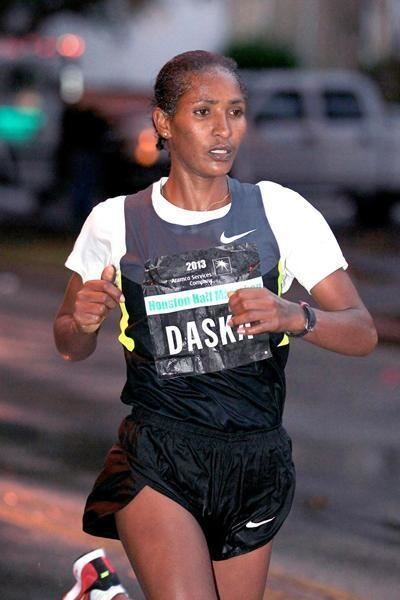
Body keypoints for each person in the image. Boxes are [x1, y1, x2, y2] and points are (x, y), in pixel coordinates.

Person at [55, 50, 377, 600]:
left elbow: (362, 331)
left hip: (255, 460)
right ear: (164, 122)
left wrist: (296, 316)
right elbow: (68, 340)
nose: (224, 129)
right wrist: (82, 323)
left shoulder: (280, 211)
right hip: (161, 455)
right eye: (204, 112)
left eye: (235, 111)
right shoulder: (115, 221)